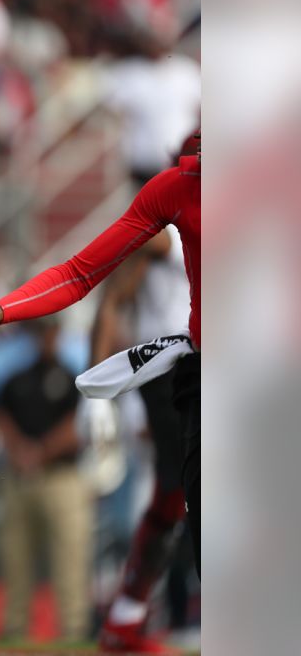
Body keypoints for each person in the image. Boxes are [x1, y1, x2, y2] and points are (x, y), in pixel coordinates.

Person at [0, 132, 201, 580]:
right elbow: (82, 275)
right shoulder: (176, 192)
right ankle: (131, 610)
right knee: (187, 507)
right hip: (190, 368)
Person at [93, 137, 198, 653]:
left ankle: (127, 614)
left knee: (171, 498)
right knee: (179, 493)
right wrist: (96, 393)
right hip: (171, 370)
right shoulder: (167, 235)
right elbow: (111, 299)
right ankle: (130, 613)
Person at [0, 320, 92, 642]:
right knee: (14, 557)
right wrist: (19, 450)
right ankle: (14, 632)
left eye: (50, 331)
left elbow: (78, 425)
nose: (46, 338)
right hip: (17, 477)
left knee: (70, 560)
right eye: (41, 332)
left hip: (63, 477)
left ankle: (73, 633)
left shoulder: (74, 377)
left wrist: (39, 452)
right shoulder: (15, 378)